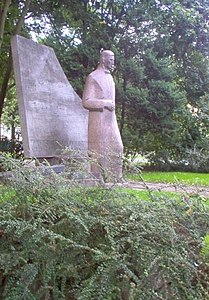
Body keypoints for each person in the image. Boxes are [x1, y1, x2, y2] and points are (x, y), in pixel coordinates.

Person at [82, 50, 123, 182]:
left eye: (113, 60)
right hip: (97, 120)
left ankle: (116, 177)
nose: (113, 63)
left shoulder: (110, 78)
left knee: (117, 146)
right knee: (98, 149)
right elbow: (86, 101)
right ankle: (97, 178)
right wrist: (104, 103)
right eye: (111, 60)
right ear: (103, 59)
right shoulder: (93, 77)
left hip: (110, 120)